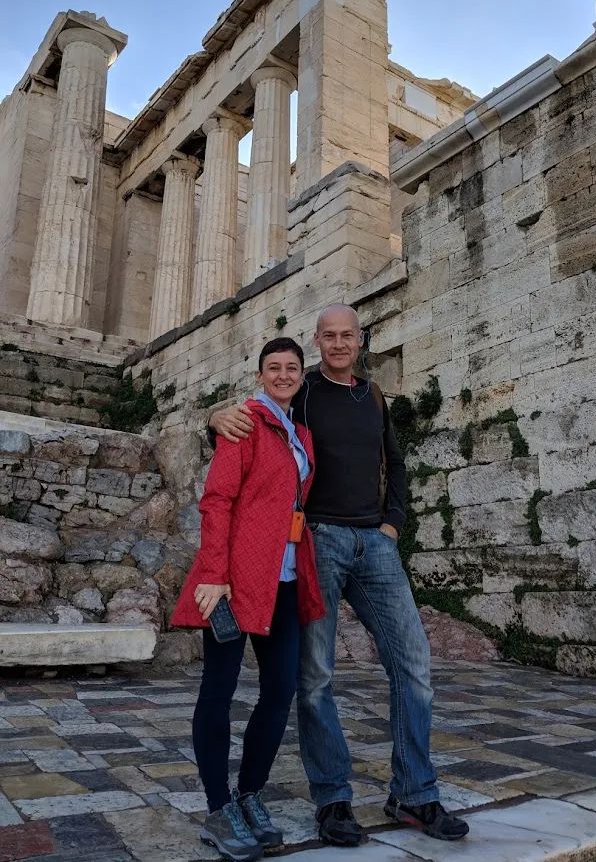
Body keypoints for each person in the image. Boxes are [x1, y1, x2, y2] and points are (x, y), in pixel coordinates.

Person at [208, 305, 469, 846]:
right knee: (316, 678)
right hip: (316, 542)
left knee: (414, 663)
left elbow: (393, 462)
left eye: (347, 335)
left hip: (375, 543)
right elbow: (252, 416)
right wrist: (212, 416)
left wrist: (393, 523)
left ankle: (414, 794)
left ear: (360, 340)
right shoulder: (300, 389)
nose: (339, 343)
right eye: (328, 336)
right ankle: (332, 800)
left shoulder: (372, 396)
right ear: (317, 342)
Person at [171, 337, 324, 862]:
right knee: (219, 690)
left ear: (301, 376)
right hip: (234, 582)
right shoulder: (243, 423)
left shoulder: (300, 434)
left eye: (291, 368)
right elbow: (217, 499)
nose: (283, 374)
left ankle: (250, 794)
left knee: (279, 692)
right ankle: (218, 809)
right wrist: (213, 572)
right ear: (260, 375)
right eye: (273, 367)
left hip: (283, 581)